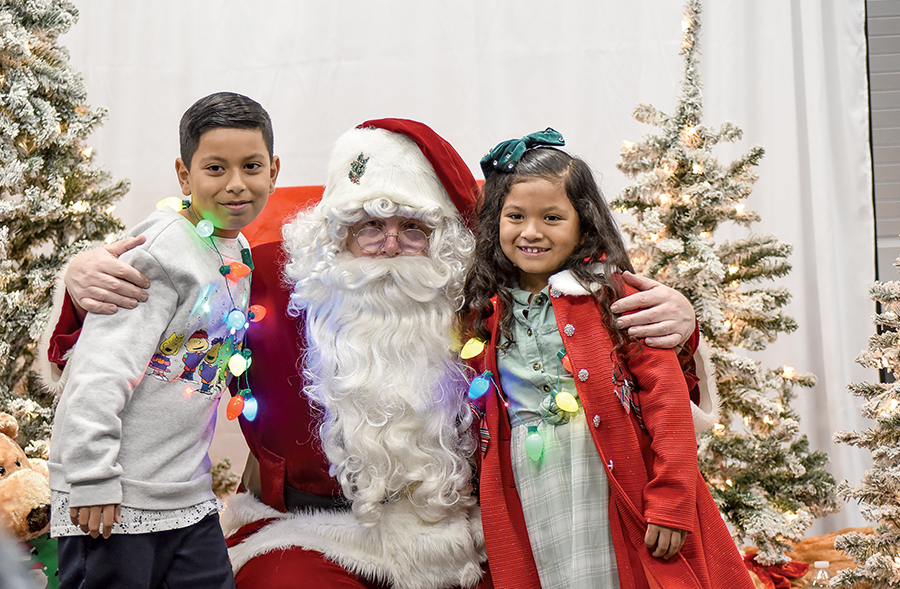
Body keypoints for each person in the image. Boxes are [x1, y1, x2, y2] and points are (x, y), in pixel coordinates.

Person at [43, 120, 698, 589]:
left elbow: (608, 358)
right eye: (367, 226)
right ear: (333, 235)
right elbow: (157, 310)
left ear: (444, 239)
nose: (387, 245)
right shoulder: (264, 279)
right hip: (313, 533)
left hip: (475, 537)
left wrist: (680, 324)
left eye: (411, 228)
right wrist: (81, 284)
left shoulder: (487, 298)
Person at [457, 129, 752, 589]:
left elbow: (667, 403)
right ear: (496, 220)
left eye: (552, 217)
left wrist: (672, 500)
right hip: (530, 487)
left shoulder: (615, 298)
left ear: (583, 223)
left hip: (608, 479)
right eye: (515, 216)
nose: (531, 232)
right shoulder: (484, 313)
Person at [46, 91, 280, 589]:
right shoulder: (160, 251)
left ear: (273, 171)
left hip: (184, 493)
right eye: (215, 168)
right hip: (113, 497)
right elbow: (100, 369)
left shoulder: (234, 246)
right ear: (184, 174)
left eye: (251, 166)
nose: (236, 185)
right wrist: (91, 477)